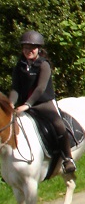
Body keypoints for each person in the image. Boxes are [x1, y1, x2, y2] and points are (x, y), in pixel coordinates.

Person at [8, 30, 76, 174]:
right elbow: (15, 88)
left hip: (43, 103)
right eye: (26, 48)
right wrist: (11, 103)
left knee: (59, 125)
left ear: (38, 49)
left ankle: (68, 159)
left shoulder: (43, 65)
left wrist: (27, 105)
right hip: (24, 105)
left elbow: (40, 88)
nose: (29, 51)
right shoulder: (19, 66)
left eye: (32, 48)